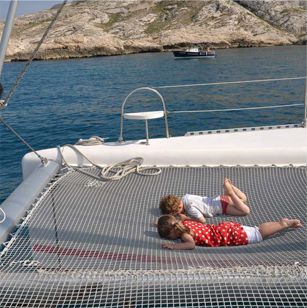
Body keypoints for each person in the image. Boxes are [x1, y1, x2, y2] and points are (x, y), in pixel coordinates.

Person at [157, 214, 302, 250]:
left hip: (229, 235)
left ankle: (283, 224)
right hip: (225, 228)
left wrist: (174, 246)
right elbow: (181, 218)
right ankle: (280, 222)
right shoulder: (185, 222)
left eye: (169, 236)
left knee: (258, 235)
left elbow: (191, 245)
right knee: (256, 229)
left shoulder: (184, 234)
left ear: (173, 232)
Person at [159, 178, 250, 223]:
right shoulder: (185, 197)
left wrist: (186, 218)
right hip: (218, 198)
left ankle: (230, 193)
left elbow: (202, 220)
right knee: (243, 199)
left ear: (179, 207)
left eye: (176, 212)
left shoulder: (190, 208)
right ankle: (230, 189)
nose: (177, 214)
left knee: (245, 211)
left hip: (222, 207)